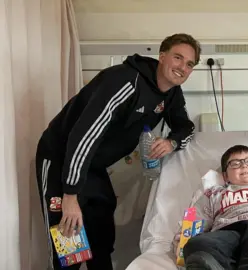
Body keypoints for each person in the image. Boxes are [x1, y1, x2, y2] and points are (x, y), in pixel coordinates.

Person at [35, 33, 200, 269]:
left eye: (189, 64)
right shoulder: (125, 81)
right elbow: (84, 135)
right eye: (178, 58)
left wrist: (171, 142)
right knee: (69, 247)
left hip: (94, 165)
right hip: (62, 158)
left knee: (100, 239)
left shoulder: (171, 93)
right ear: (162, 56)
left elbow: (186, 127)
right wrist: (70, 196)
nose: (182, 67)